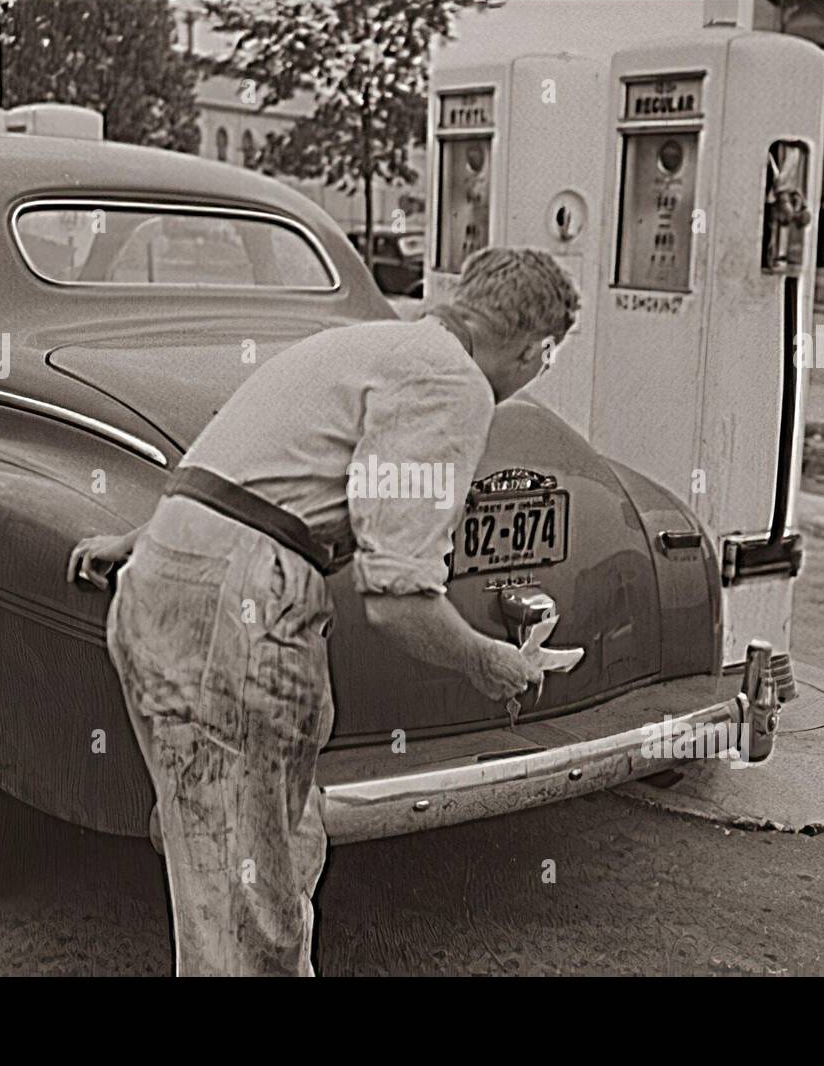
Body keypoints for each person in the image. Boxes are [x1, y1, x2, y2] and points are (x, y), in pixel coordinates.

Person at [67, 246, 580, 975]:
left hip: (167, 578)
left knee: (246, 851)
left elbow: (236, 474)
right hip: (238, 608)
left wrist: (140, 540)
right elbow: (397, 599)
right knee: (247, 906)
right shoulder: (448, 378)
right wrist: (489, 661)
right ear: (536, 349)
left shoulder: (357, 344)